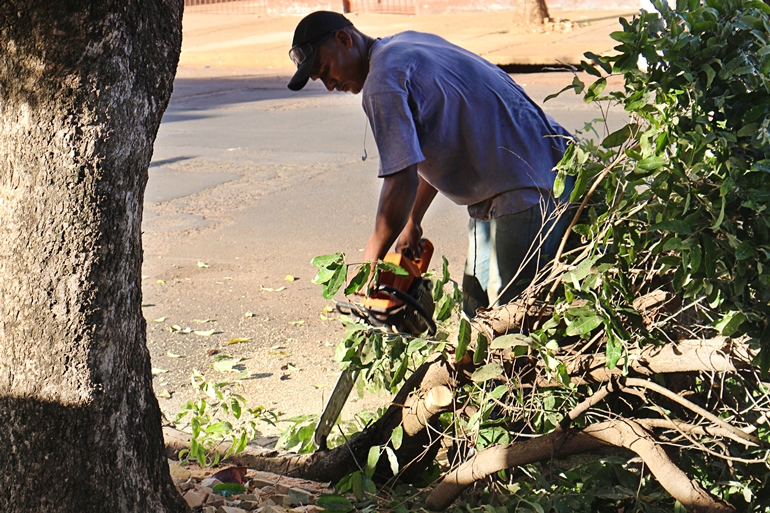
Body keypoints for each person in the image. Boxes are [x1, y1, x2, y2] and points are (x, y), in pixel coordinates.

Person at [287, 11, 574, 317]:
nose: (330, 85)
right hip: (532, 173)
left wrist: (372, 256)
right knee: (475, 309)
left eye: (325, 69)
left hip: (530, 184)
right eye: (321, 79)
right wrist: (412, 221)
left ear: (344, 40)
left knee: (513, 317)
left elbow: (401, 179)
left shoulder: (382, 82)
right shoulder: (404, 44)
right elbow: (423, 154)